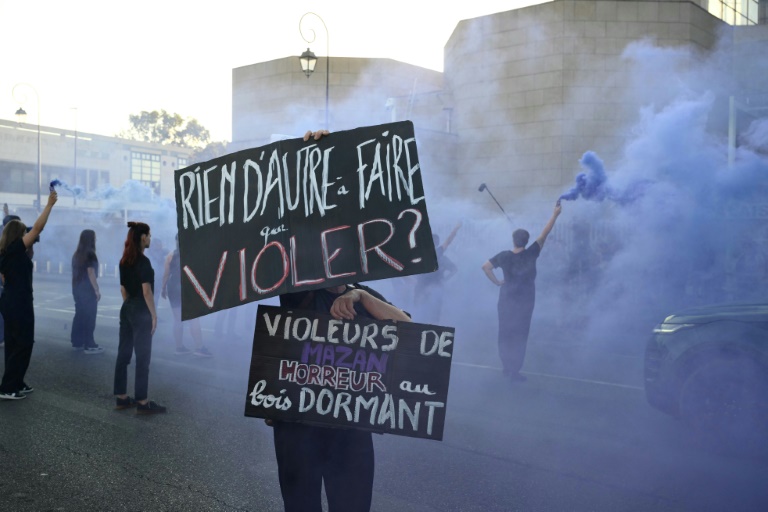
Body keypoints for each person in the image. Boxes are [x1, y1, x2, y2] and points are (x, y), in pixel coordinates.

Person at [274, 283, 411, 512]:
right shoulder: (299, 291)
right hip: (299, 425)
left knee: (352, 504)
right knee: (301, 505)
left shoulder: (362, 293)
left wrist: (361, 296)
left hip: (351, 426)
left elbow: (409, 329)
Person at [481, 200, 562, 382]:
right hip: (525, 300)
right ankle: (514, 370)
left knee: (505, 332)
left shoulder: (503, 255)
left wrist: (497, 282)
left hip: (506, 297)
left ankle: (506, 367)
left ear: (513, 240)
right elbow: (544, 234)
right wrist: (555, 214)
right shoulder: (531, 252)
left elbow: (485, 267)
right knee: (520, 334)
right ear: (526, 241)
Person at [0, 190, 58, 400]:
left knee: (15, 344)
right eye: (25, 233)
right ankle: (7, 387)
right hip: (18, 303)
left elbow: (6, 278)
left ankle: (15, 382)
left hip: (12, 301)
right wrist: (49, 205)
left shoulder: (9, 251)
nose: (29, 237)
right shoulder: (15, 249)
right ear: (18, 236)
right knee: (23, 343)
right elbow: (38, 227)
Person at [113, 221, 166, 414]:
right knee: (142, 358)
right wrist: (153, 315)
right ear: (142, 237)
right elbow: (147, 292)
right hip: (141, 310)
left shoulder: (123, 261)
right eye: (149, 235)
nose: (150, 238)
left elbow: (123, 289)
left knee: (123, 354)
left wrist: (130, 306)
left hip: (127, 307)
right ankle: (142, 402)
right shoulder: (143, 262)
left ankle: (121, 398)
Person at [161, 234, 212, 357]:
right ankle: (199, 347)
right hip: (188, 287)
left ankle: (179, 347)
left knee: (178, 320)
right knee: (193, 318)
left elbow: (166, 275)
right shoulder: (193, 254)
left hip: (173, 288)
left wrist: (163, 289)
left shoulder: (170, 256)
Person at [413, 222, 462, 324]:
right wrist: (456, 229)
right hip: (425, 287)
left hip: (431, 287)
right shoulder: (424, 253)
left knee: (429, 312)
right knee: (423, 311)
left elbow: (448, 242)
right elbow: (448, 241)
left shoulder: (435, 253)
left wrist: (445, 279)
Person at [71, 229, 104, 354]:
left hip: (77, 289)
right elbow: (91, 273)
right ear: (90, 239)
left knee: (79, 315)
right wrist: (96, 289)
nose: (96, 240)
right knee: (90, 316)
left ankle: (77, 342)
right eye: (94, 237)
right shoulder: (90, 254)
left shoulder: (77, 254)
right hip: (87, 289)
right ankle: (89, 344)